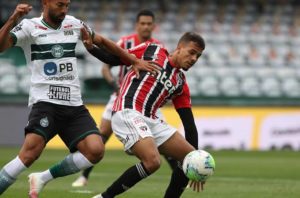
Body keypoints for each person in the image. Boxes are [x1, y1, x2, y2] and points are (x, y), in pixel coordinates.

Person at [0, 1, 159, 197]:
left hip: (74, 105)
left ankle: (42, 177)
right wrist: (13, 18)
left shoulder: (73, 23)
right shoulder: (29, 27)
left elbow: (102, 41)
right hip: (45, 103)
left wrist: (133, 60)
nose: (64, 10)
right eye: (60, 5)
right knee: (29, 153)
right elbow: (1, 46)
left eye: (67, 5)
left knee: (95, 150)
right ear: (46, 2)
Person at [88, 32, 206, 198]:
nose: (194, 59)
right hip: (127, 111)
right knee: (153, 162)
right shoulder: (152, 50)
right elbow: (114, 59)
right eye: (192, 52)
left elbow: (189, 125)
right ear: (179, 48)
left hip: (150, 119)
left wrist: (196, 162)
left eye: (198, 56)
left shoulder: (180, 83)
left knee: (188, 158)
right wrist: (91, 46)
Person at [72, 9, 177, 188]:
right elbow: (106, 68)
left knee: (164, 139)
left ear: (154, 26)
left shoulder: (158, 46)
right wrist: (116, 86)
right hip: (121, 96)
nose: (145, 27)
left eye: (149, 24)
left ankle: (178, 174)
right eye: (142, 23)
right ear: (137, 25)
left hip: (147, 102)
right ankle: (84, 176)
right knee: (102, 136)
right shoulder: (125, 42)